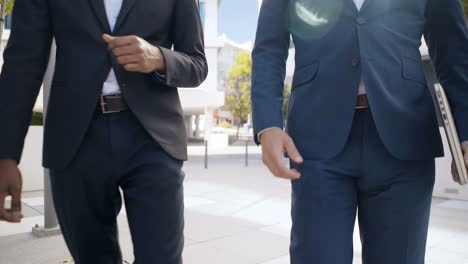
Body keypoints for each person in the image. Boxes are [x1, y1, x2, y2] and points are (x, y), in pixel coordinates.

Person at [252, 0, 468, 263]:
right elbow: (269, 46)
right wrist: (268, 123)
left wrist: (465, 131)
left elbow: (454, 52)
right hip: (318, 137)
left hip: (405, 139)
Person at [0, 0, 207, 263]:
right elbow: (22, 63)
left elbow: (197, 65)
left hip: (152, 140)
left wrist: (159, 57)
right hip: (76, 141)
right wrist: (6, 154)